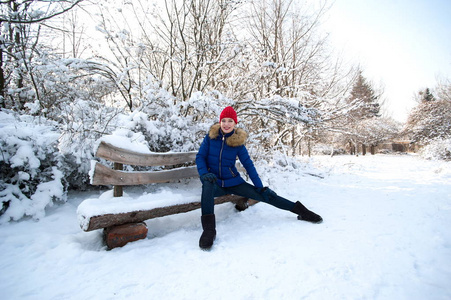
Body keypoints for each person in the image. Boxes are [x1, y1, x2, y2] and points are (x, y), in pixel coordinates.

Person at [195, 106, 322, 250]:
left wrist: (260, 187)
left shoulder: (238, 143)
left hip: (233, 182)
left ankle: (301, 211)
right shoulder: (211, 137)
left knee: (264, 195)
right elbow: (200, 157)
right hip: (213, 181)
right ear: (220, 121)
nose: (226, 124)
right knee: (207, 186)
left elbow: (248, 165)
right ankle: (209, 231)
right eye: (223, 120)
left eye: (230, 121)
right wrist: (204, 173)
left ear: (235, 123)